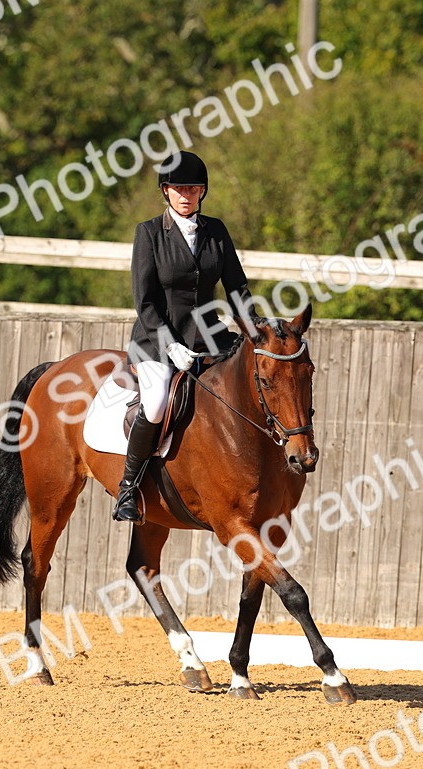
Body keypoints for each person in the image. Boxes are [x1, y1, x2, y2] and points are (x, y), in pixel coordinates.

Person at [112, 150, 265, 522]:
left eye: (193, 188)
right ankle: (128, 488)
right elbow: (144, 301)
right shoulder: (149, 233)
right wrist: (170, 345)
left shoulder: (216, 232)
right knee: (158, 401)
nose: (186, 195)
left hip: (209, 336)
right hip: (156, 341)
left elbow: (237, 289)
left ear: (202, 192)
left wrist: (258, 332)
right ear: (165, 191)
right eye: (178, 188)